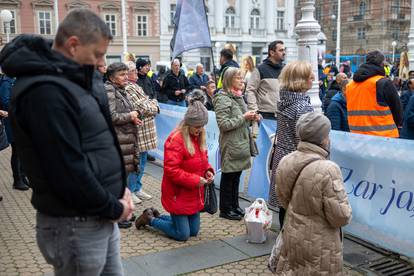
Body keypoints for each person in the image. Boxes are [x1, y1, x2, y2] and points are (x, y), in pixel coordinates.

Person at [0, 9, 134, 275]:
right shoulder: (44, 91)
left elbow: (99, 141)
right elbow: (66, 169)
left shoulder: (76, 80)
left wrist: (120, 190)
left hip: (99, 213)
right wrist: (114, 206)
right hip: (75, 223)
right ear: (73, 45)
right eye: (97, 54)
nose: (102, 63)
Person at [272, 112, 352, 275]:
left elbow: (282, 197)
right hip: (320, 242)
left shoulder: (286, 160)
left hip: (293, 233)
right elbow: (340, 216)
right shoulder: (329, 169)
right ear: (324, 139)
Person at [135, 91, 214, 241]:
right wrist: (196, 180)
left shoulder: (199, 136)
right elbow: (172, 171)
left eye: (202, 126)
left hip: (193, 192)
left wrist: (208, 171)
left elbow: (203, 161)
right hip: (178, 193)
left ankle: (157, 216)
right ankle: (149, 219)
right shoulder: (176, 140)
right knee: (182, 234)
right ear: (188, 123)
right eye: (197, 126)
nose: (200, 129)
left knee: (193, 232)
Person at [268, 61, 315, 227]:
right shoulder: (302, 106)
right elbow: (305, 141)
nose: (314, 79)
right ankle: (290, 245)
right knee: (295, 205)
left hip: (282, 156)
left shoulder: (285, 100)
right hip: (296, 160)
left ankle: (283, 241)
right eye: (310, 77)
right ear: (301, 80)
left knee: (284, 204)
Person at [214, 67, 260, 220]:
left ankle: (234, 205)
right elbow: (224, 124)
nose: (242, 81)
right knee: (229, 176)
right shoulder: (222, 98)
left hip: (240, 142)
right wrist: (244, 117)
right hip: (231, 144)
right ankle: (226, 209)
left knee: (236, 176)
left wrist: (252, 117)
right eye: (239, 78)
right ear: (229, 80)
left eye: (242, 78)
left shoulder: (238, 96)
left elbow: (242, 118)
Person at [105, 62, 142, 228]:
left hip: (126, 139)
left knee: (123, 180)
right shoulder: (109, 89)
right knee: (118, 180)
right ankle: (118, 216)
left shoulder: (121, 89)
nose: (126, 77)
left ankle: (124, 211)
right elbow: (112, 115)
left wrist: (133, 117)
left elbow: (123, 112)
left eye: (126, 74)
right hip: (119, 140)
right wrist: (130, 115)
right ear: (112, 77)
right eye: (122, 75)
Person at [346, 50, 402, 138]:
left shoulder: (349, 85)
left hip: (357, 138)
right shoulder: (383, 83)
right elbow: (397, 111)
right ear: (382, 64)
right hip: (383, 139)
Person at [125, 61, 159, 202]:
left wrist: (152, 105)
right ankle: (131, 190)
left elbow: (149, 101)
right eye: (133, 72)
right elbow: (142, 106)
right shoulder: (128, 88)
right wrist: (153, 107)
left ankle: (138, 188)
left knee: (143, 160)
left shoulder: (135, 86)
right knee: (136, 162)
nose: (136, 74)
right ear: (128, 74)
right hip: (139, 129)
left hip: (145, 129)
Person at [0, 73, 29, 190]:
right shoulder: (7, 82)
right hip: (11, 122)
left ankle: (23, 177)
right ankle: (17, 180)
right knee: (17, 151)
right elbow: (6, 101)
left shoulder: (16, 80)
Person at [246, 40, 285, 121]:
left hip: (282, 116)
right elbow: (250, 90)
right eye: (281, 50)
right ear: (272, 53)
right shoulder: (260, 69)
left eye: (284, 50)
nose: (284, 53)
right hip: (264, 116)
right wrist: (254, 111)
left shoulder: (286, 69)